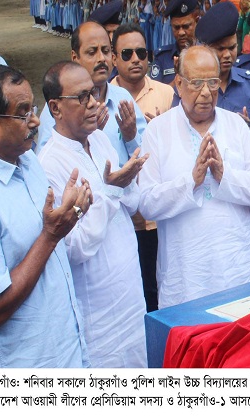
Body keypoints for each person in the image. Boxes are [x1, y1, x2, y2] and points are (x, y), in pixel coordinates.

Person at [0, 65, 91, 368]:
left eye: (33, 108)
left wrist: (69, 213)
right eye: (22, 113)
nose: (35, 121)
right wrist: (51, 236)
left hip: (69, 353)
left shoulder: (28, 161)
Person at [138, 45, 250, 308]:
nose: (206, 92)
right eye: (197, 83)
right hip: (187, 278)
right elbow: (147, 203)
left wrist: (224, 175)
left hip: (239, 270)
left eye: (212, 82)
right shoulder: (158, 131)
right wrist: (192, 182)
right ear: (178, 84)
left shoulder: (235, 125)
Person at [38, 61, 148, 367]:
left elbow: (132, 204)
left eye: (94, 93)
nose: (93, 104)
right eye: (82, 97)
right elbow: (73, 248)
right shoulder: (49, 165)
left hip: (130, 292)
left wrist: (127, 180)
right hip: (97, 313)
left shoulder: (99, 140)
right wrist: (111, 191)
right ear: (55, 108)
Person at [110, 22, 174, 313]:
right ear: (114, 58)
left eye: (141, 52)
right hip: (124, 218)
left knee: (163, 286)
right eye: (127, 54)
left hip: (160, 217)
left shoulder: (167, 94)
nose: (135, 59)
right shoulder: (102, 99)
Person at [37, 21, 147, 168]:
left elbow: (147, 158)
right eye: (92, 52)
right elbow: (47, 165)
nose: (101, 58)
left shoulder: (123, 98)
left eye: (106, 51)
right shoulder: (60, 108)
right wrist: (87, 137)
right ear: (75, 57)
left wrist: (131, 136)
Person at [195, 1, 250, 123]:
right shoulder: (193, 87)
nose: (227, 55)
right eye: (220, 49)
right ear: (206, 49)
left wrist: (249, 129)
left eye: (232, 48)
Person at [151, 0, 199, 85]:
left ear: (196, 22)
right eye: (176, 27)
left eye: (186, 26)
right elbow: (155, 92)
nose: (181, 32)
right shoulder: (162, 57)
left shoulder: (208, 54)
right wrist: (178, 79)